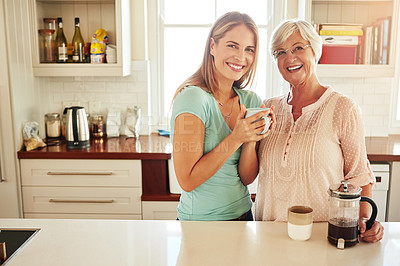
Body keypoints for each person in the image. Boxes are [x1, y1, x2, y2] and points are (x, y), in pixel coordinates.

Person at [256, 19, 384, 243]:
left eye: (298, 48)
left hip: (321, 239)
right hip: (268, 237)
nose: (290, 58)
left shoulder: (343, 108)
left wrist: (365, 221)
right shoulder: (269, 108)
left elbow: (359, 175)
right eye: (280, 52)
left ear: (315, 52)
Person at [170, 11, 274, 221]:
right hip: (201, 223)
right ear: (212, 47)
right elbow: (187, 180)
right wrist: (236, 137)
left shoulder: (251, 101)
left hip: (243, 217)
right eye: (232, 45)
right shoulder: (192, 98)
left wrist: (250, 141)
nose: (241, 57)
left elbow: (246, 177)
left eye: (249, 50)